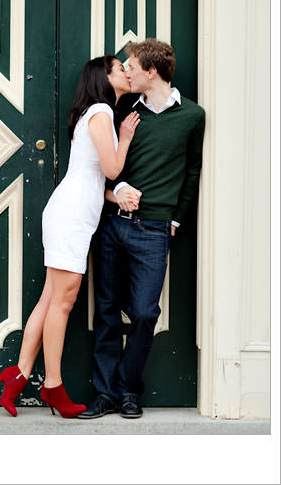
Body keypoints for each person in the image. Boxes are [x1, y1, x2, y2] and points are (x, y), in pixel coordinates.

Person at [0, 55, 140, 418]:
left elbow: (90, 177)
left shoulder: (94, 113)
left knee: (49, 298)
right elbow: (111, 168)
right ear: (104, 77)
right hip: (72, 217)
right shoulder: (103, 112)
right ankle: (53, 386)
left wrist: (114, 193)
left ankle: (18, 375)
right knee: (63, 302)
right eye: (120, 67)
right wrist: (125, 138)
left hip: (71, 211)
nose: (125, 71)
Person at [79, 38, 205, 419]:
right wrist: (117, 189)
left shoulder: (193, 116)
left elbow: (192, 170)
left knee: (146, 313)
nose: (127, 71)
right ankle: (104, 394)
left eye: (132, 65)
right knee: (105, 310)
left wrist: (176, 219)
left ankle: (128, 390)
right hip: (113, 226)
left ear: (152, 72)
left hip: (154, 230)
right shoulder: (123, 111)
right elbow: (108, 165)